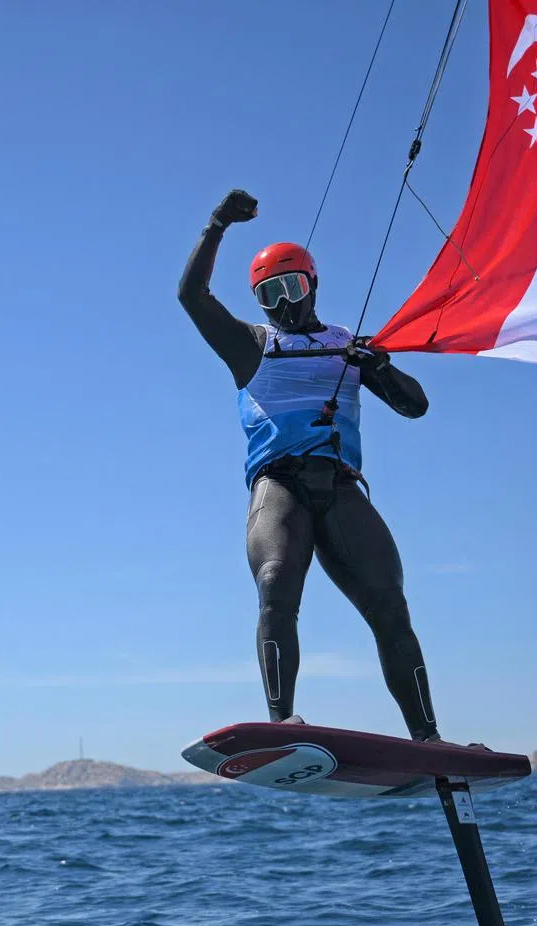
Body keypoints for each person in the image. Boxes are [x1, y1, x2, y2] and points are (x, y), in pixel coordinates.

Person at [178, 188, 442, 742]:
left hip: (341, 489)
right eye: (268, 294)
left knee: (391, 606)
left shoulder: (350, 346)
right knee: (277, 585)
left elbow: (415, 406)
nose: (283, 302)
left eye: (291, 286)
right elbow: (192, 295)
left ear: (312, 284)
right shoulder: (250, 345)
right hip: (280, 488)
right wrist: (216, 225)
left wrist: (379, 367)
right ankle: (283, 723)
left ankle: (427, 737)